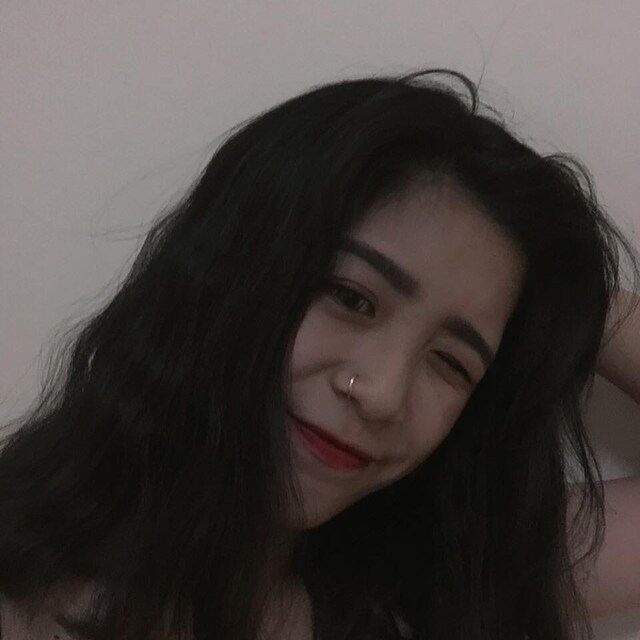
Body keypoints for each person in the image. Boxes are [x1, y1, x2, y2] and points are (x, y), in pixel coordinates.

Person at [0, 69, 638, 640]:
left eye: (452, 362)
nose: (382, 392)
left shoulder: (443, 586)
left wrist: (558, 301)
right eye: (351, 298)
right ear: (226, 270)